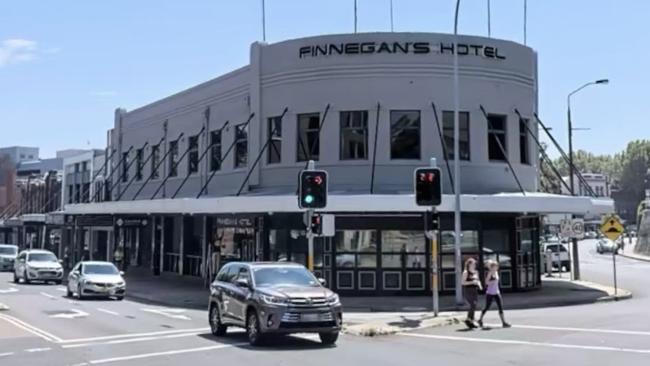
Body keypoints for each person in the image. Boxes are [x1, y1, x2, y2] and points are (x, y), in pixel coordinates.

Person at [478, 260, 511, 328]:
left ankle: (504, 322)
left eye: (497, 266)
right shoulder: (490, 273)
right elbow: (486, 282)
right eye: (495, 266)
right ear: (492, 267)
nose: (497, 268)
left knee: (500, 307)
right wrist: (492, 282)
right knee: (487, 307)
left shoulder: (496, 272)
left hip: (496, 292)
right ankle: (480, 319)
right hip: (490, 293)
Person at [461, 258, 482, 328]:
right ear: (469, 264)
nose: (474, 265)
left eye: (475, 264)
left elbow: (478, 280)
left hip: (474, 290)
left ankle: (470, 321)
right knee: (472, 304)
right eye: (473, 264)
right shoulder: (466, 272)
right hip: (468, 290)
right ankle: (469, 319)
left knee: (474, 305)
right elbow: (463, 282)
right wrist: (472, 282)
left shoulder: (476, 272)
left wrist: (479, 285)